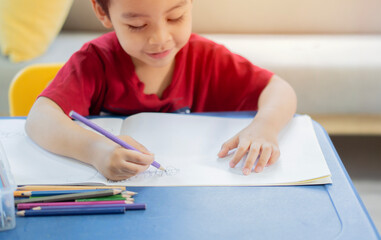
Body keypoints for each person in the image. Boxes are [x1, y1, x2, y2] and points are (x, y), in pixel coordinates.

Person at [25, 0, 297, 181]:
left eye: (176, 17)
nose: (160, 39)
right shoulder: (94, 62)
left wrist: (265, 127)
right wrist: (96, 150)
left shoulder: (206, 59)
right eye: (137, 25)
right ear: (102, 12)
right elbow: (40, 118)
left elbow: (279, 89)